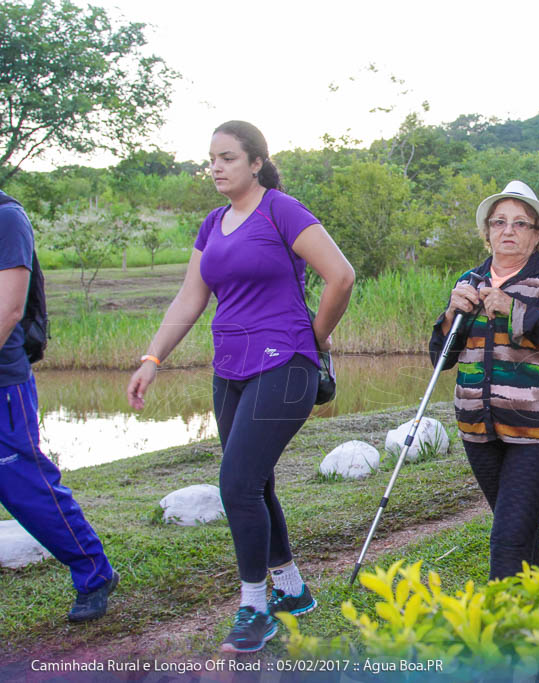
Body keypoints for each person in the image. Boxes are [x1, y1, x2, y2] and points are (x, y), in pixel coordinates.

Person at [125, 121, 355, 653]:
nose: (216, 167)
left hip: (285, 364)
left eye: (227, 157)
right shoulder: (212, 224)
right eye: (211, 159)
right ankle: (292, 592)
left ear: (256, 163)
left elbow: (339, 276)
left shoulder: (281, 210)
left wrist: (311, 341)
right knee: (254, 482)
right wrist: (152, 357)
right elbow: (190, 297)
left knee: (236, 484)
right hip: (230, 368)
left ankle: (255, 606)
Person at [428, 181, 539, 581]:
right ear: (486, 232)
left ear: (537, 235)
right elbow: (440, 359)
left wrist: (515, 309)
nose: (508, 230)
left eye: (521, 223)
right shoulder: (469, 280)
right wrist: (452, 315)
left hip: (536, 429)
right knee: (518, 530)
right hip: (478, 428)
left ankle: (506, 634)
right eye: (499, 222)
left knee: (507, 539)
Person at [0, 190, 119, 622]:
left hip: (3, 383)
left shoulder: (7, 217)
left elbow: (10, 308)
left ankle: (93, 572)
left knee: (26, 488)